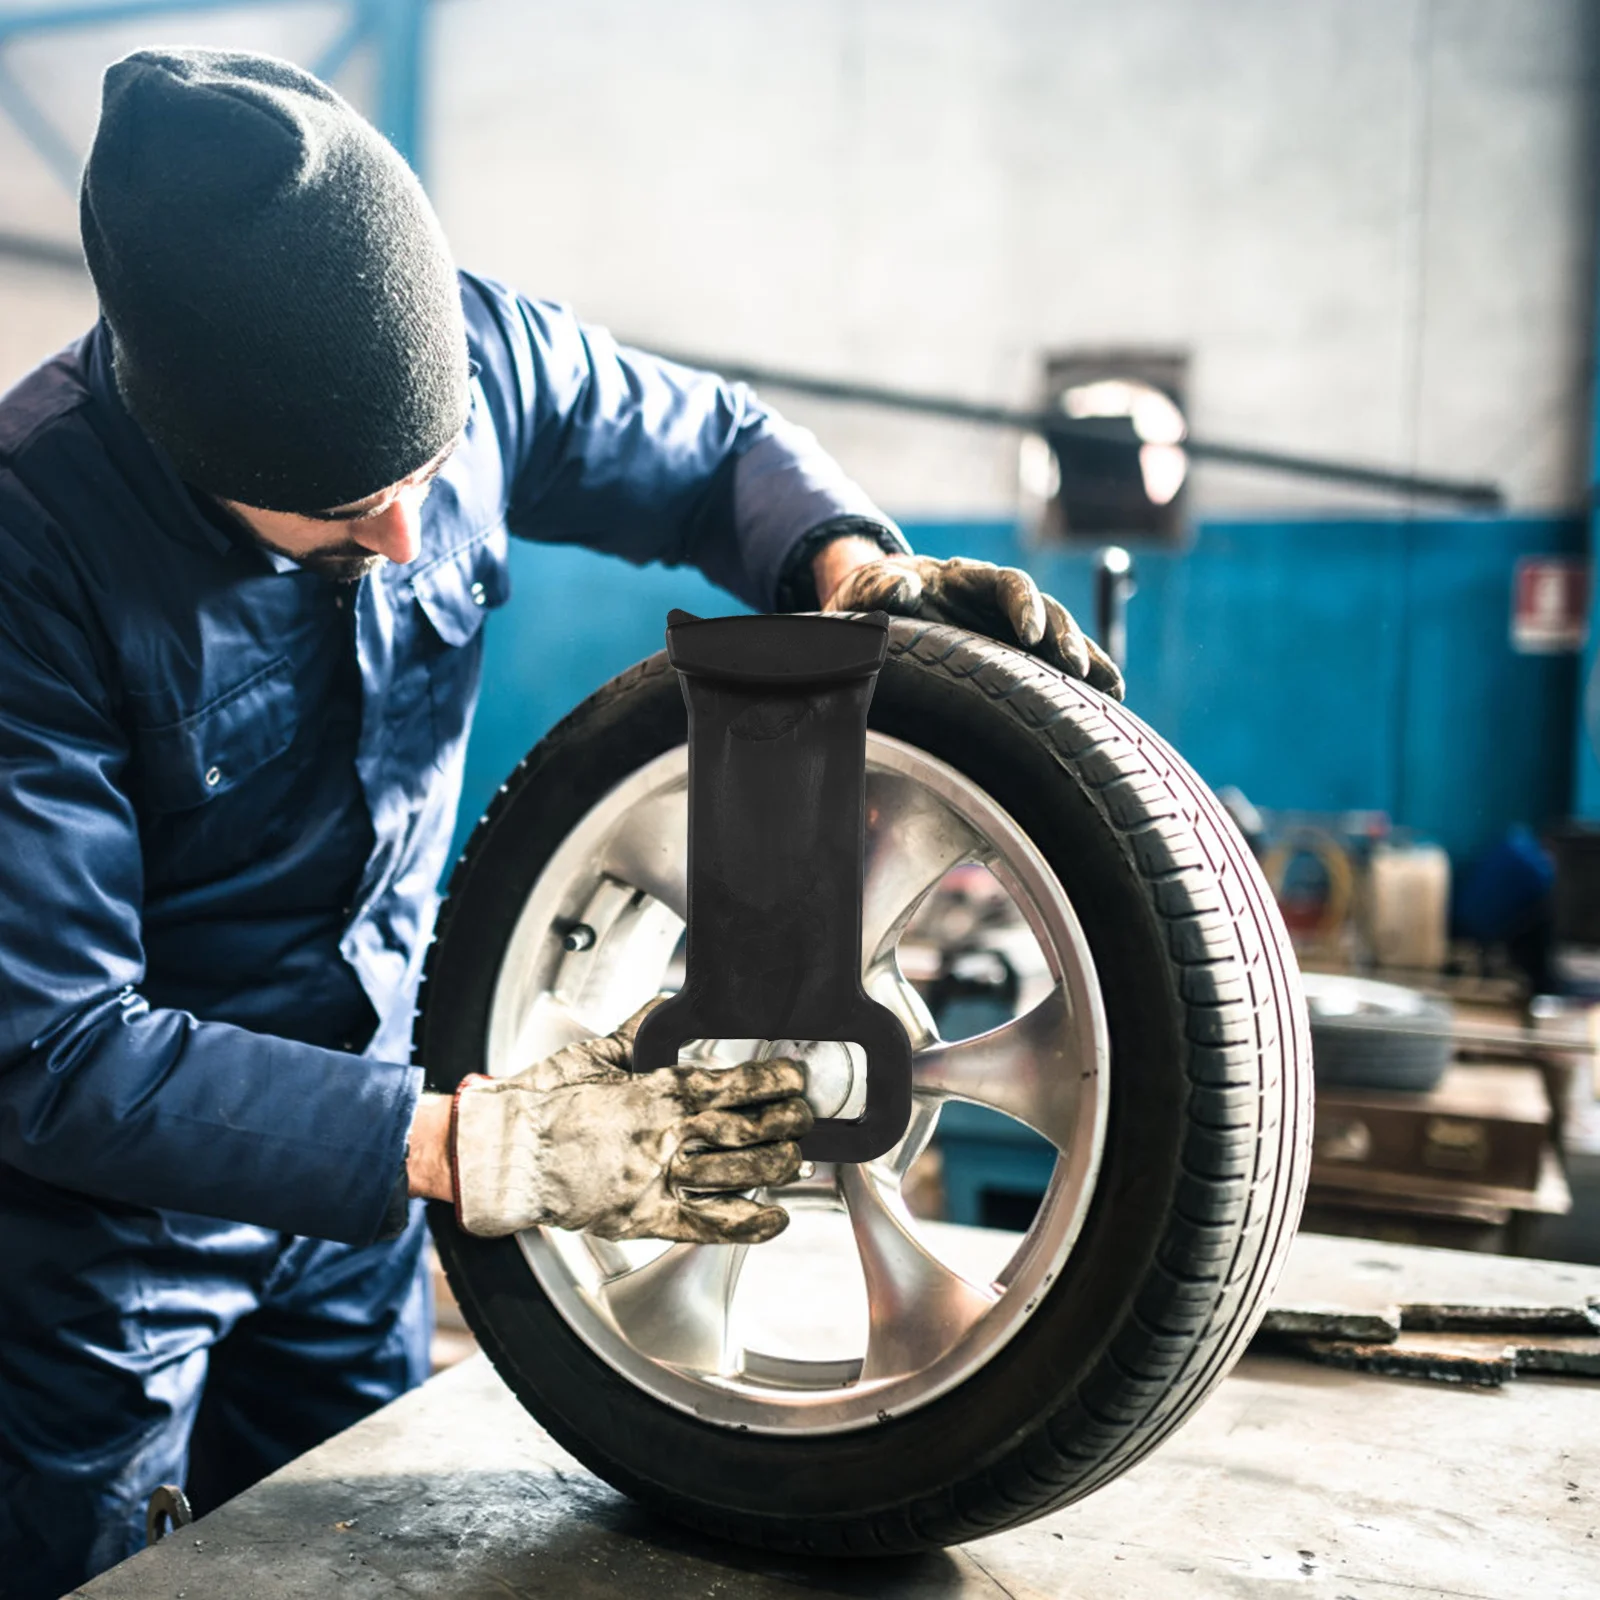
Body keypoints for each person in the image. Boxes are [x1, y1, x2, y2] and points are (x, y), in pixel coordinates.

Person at [0, 47, 1122, 1596]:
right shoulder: (32, 547)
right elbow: (44, 1050)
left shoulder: (475, 351)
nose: (405, 532)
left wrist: (849, 567)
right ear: (187, 450)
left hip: (377, 1191)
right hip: (116, 1237)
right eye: (341, 512)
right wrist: (478, 1142)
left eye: (425, 469)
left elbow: (721, 452)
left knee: (358, 1559)